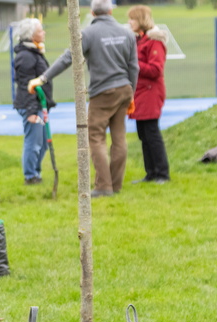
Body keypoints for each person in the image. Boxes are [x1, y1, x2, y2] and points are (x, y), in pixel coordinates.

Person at [29, 0, 138, 198]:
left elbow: (67, 58)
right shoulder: (127, 33)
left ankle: (104, 187)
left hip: (102, 93)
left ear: (92, 12)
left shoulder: (88, 33)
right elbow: (134, 67)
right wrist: (132, 94)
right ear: (111, 11)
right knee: (119, 138)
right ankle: (115, 184)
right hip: (124, 89)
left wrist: (43, 78)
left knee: (95, 137)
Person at [127, 5, 170, 184]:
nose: (129, 23)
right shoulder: (140, 40)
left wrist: (133, 64)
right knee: (143, 134)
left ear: (141, 21)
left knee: (152, 133)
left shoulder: (154, 41)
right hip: (140, 93)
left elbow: (155, 69)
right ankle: (150, 172)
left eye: (133, 19)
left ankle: (162, 173)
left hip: (150, 94)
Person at [13, 18, 55, 185]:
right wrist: (31, 112)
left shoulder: (34, 52)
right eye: (40, 31)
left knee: (43, 143)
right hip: (31, 106)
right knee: (34, 141)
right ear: (31, 36)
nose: (43, 33)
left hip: (39, 105)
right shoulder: (26, 56)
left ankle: (35, 173)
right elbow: (26, 85)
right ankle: (30, 176)